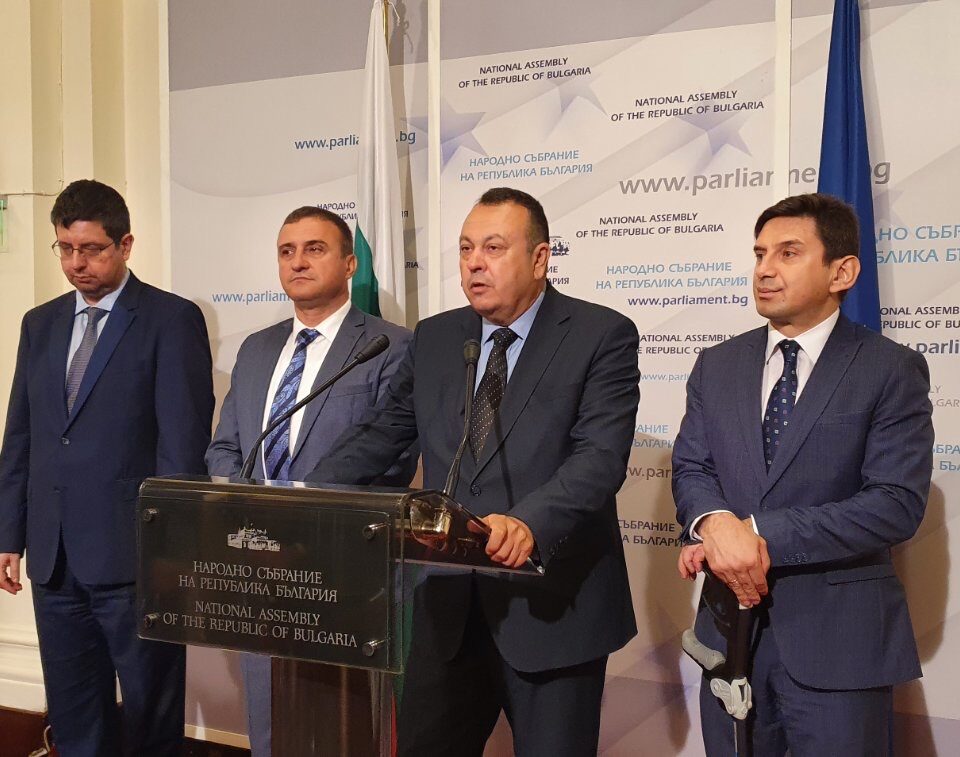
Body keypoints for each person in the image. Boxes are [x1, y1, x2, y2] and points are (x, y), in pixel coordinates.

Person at [307, 187, 639, 756]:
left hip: (553, 608)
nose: (474, 263)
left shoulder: (600, 335)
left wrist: (530, 522)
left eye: (493, 248)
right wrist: (301, 493)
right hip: (449, 612)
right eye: (465, 249)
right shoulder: (437, 337)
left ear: (540, 258)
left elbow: (599, 458)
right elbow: (382, 438)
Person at [673, 193, 934, 756]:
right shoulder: (717, 364)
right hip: (728, 637)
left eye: (788, 253)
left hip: (839, 644)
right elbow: (692, 467)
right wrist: (712, 522)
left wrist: (754, 533)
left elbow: (894, 504)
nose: (765, 269)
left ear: (843, 272)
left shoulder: (890, 369)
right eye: (760, 253)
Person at [0, 179, 214, 756]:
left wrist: (170, 552)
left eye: (92, 249)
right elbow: (21, 435)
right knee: (75, 716)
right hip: (54, 559)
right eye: (66, 248)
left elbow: (182, 447)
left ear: (125, 244)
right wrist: (9, 534)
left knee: (150, 716)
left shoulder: (170, 319)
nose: (77, 263)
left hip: (136, 560)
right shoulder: (39, 323)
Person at [204, 205, 415, 757]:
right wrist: (247, 512)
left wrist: (301, 523)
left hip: (345, 572)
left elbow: (392, 459)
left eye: (314, 249)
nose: (298, 262)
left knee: (345, 731)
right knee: (269, 723)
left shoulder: (390, 346)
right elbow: (226, 446)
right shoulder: (256, 348)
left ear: (349, 263)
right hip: (257, 565)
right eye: (287, 251)